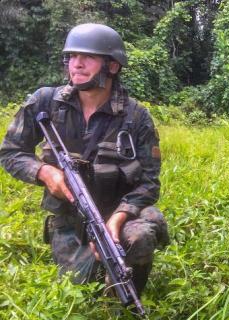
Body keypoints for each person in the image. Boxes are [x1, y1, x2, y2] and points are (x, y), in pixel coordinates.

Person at [0, 23, 169, 295]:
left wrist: (117, 220)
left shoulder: (136, 117)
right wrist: (44, 172)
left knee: (138, 237)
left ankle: (127, 290)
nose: (76, 65)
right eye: (72, 57)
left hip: (119, 212)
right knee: (81, 285)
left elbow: (150, 183)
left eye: (88, 57)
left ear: (112, 66)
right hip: (69, 218)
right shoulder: (45, 102)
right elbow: (10, 152)